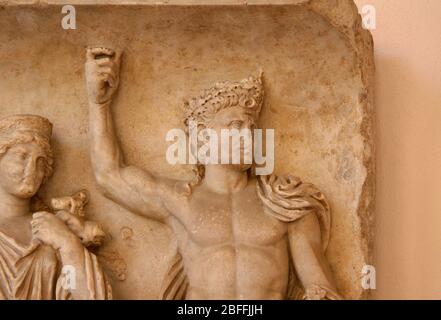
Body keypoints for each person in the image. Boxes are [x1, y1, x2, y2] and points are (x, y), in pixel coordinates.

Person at [85, 47, 341, 300]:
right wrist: (99, 104)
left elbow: (320, 288)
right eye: (235, 126)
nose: (247, 136)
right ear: (203, 138)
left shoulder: (284, 201)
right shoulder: (181, 200)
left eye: (251, 127)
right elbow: (109, 176)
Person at [0, 114, 112, 300]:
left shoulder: (54, 228)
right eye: (22, 157)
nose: (32, 170)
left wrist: (68, 244)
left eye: (40, 161)